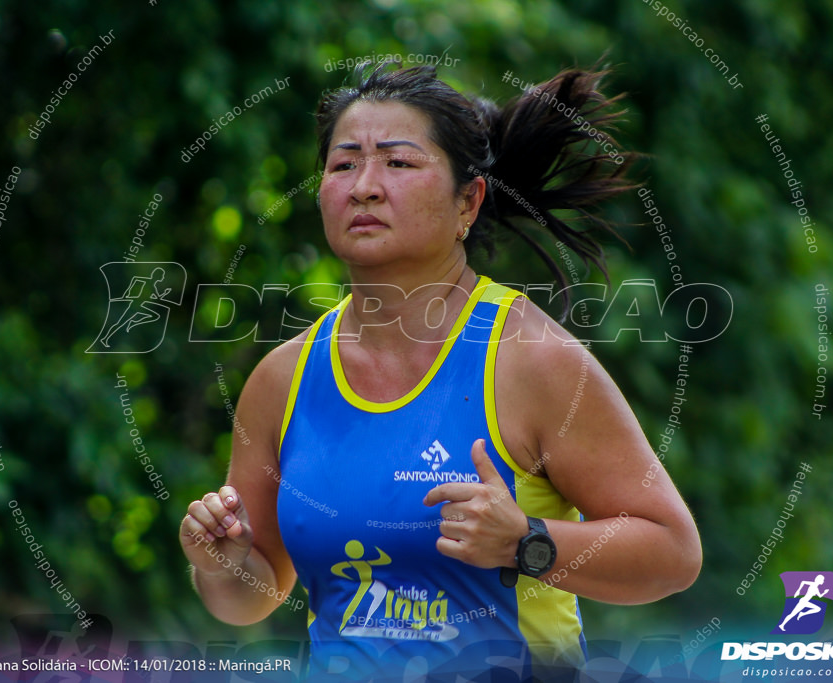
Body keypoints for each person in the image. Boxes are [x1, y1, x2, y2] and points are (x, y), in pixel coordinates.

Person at [180, 62, 702, 681]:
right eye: (344, 164)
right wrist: (222, 561)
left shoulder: (532, 360)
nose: (365, 186)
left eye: (398, 163)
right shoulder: (282, 379)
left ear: (468, 201)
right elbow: (252, 597)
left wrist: (526, 541)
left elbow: (673, 552)